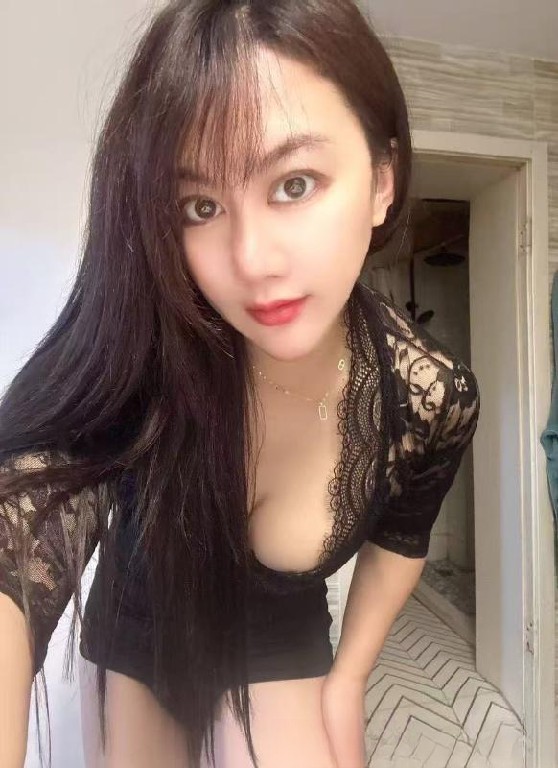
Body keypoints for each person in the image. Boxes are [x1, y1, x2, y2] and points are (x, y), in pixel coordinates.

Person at [0, 1, 481, 766]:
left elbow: (402, 535)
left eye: (294, 184)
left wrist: (349, 679)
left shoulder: (430, 396)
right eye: (201, 206)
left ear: (382, 180)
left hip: (279, 630)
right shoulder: (152, 344)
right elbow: (29, 498)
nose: (251, 260)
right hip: (145, 620)